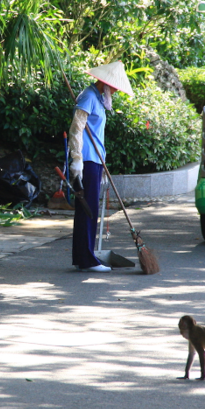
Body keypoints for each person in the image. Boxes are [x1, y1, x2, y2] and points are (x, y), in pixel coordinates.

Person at [68, 61, 133, 273]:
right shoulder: (88, 96)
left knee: (90, 210)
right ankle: (87, 260)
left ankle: (83, 257)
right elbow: (77, 129)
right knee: (87, 210)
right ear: (104, 83)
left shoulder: (98, 98)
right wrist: (76, 163)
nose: (114, 91)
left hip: (95, 160)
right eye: (113, 87)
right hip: (86, 161)